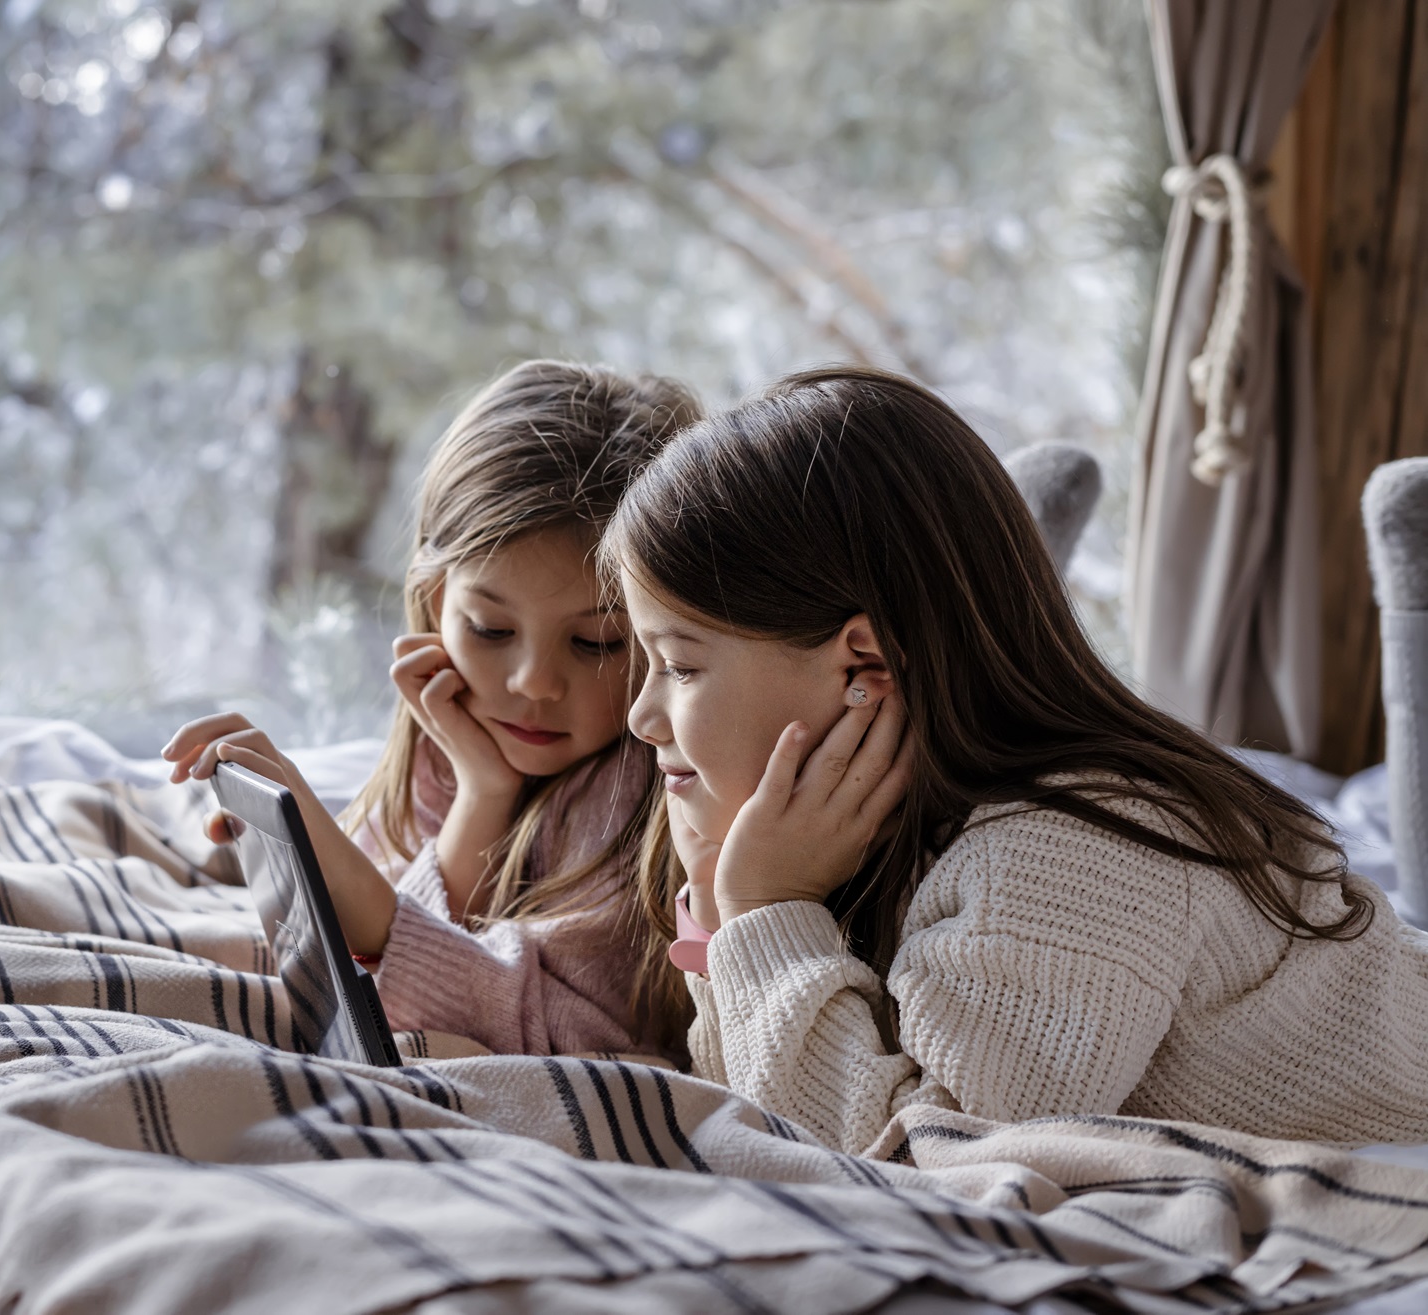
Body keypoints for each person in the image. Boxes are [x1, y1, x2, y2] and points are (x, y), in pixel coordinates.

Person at [609, 365, 1428, 1156]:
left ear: (864, 665)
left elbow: (918, 1163)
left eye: (678, 664)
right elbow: (754, 1104)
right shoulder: (875, 838)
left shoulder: (1075, 847)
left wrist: (763, 908)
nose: (641, 717)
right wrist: (725, 906)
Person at [161, 360, 700, 1057]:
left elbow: (577, 1033)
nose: (534, 682)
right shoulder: (451, 729)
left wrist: (382, 922)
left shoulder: (651, 798)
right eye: (490, 629)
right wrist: (482, 791)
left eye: (596, 641)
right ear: (436, 598)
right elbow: (409, 950)